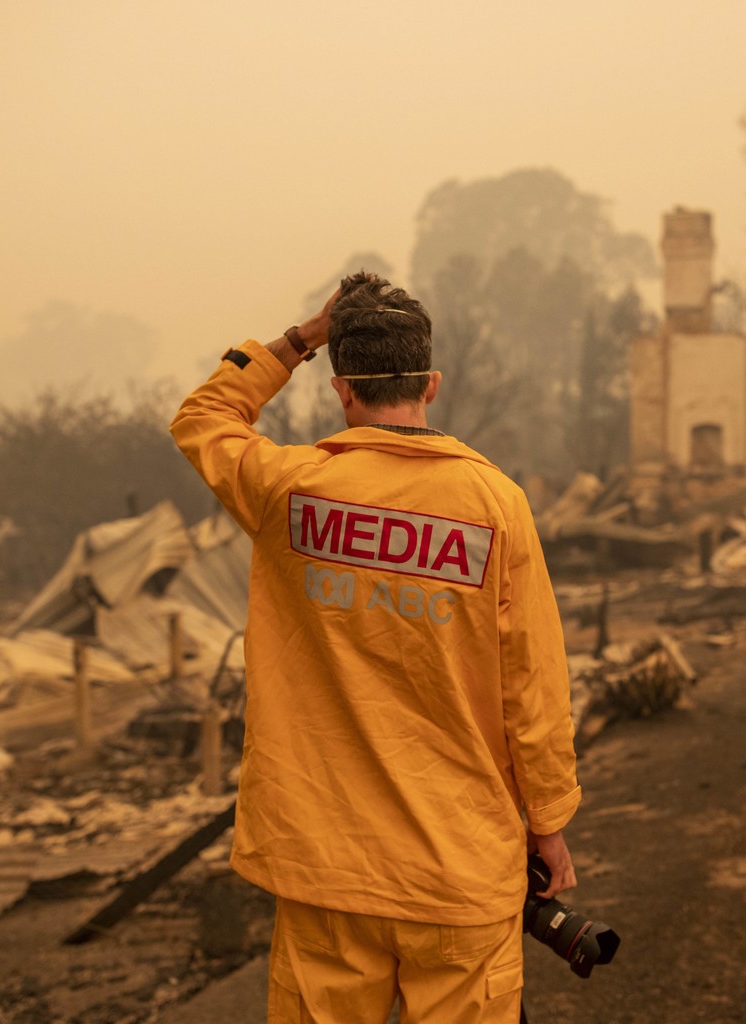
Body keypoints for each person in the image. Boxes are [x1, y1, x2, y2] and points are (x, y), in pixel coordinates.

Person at [170, 271, 580, 1024]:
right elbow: (535, 685)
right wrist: (548, 823)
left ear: (341, 391)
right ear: (431, 382)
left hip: (327, 871)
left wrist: (298, 339)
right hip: (460, 872)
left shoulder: (290, 490)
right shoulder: (496, 505)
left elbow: (203, 417)